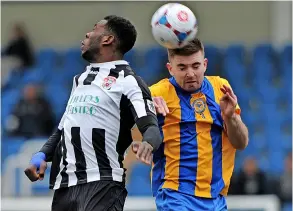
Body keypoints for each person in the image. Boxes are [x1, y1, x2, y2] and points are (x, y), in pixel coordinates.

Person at [24, 15, 162, 211]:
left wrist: (148, 144)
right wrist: (41, 155)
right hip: (65, 185)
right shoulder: (80, 80)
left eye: (95, 28)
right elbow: (64, 129)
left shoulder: (129, 81)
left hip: (103, 183)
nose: (88, 33)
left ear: (108, 39)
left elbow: (150, 126)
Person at [133, 38, 249, 211]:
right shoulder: (157, 94)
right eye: (182, 67)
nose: (190, 73)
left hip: (215, 197)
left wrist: (230, 116)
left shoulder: (220, 88)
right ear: (170, 68)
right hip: (175, 195)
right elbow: (129, 128)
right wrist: (146, 123)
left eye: (195, 66)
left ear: (205, 64)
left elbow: (241, 143)